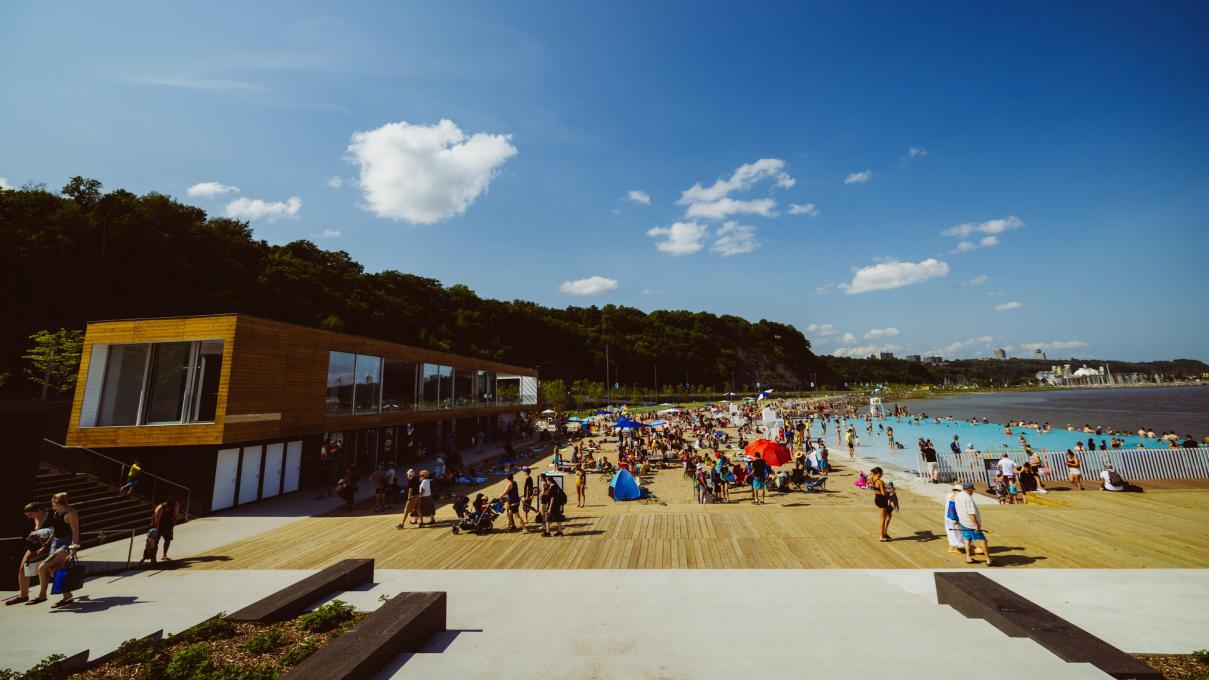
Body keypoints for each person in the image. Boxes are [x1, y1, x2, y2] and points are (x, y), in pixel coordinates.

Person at [30, 492, 81, 606]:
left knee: (42, 567)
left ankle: (42, 596)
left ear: (57, 502)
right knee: (54, 571)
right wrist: (47, 544)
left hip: (66, 544)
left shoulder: (71, 513)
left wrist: (73, 547)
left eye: (52, 502)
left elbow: (75, 531)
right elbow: (54, 530)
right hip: (56, 542)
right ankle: (67, 595)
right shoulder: (55, 513)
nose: (51, 504)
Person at [6, 503, 51, 605]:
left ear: (39, 510)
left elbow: (56, 531)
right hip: (34, 546)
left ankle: (43, 595)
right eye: (28, 515)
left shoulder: (51, 516)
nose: (30, 517)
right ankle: (23, 595)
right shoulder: (30, 521)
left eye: (31, 514)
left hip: (50, 545)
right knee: (23, 569)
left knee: (48, 570)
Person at [954, 482, 992, 566]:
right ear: (969, 489)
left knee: (967, 539)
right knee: (983, 540)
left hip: (963, 521)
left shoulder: (958, 496)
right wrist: (976, 525)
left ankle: (968, 557)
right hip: (970, 523)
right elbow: (971, 513)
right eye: (972, 490)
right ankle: (988, 559)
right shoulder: (967, 498)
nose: (972, 492)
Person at [869, 467, 896, 542]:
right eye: (881, 473)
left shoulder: (872, 480)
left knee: (889, 516)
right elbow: (883, 493)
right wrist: (892, 491)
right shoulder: (880, 482)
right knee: (883, 519)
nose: (882, 474)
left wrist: (885, 488)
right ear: (878, 473)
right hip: (882, 500)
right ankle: (881, 536)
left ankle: (885, 533)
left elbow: (872, 486)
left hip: (877, 498)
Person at [152, 497, 181, 561]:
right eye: (169, 506)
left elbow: (175, 518)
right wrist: (156, 531)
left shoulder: (175, 506)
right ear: (167, 504)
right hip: (157, 524)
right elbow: (157, 520)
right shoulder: (160, 508)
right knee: (156, 541)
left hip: (167, 524)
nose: (169, 508)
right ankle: (153, 557)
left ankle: (164, 555)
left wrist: (172, 528)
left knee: (168, 539)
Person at [943, 485, 965, 554]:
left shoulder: (949, 495)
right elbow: (953, 509)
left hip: (948, 518)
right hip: (953, 518)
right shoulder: (955, 497)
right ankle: (952, 548)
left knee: (952, 533)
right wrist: (956, 519)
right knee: (956, 533)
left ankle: (953, 547)